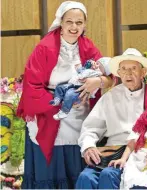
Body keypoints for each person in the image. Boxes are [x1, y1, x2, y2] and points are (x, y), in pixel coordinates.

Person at [17, 1, 113, 188]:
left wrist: (98, 81)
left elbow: (111, 77)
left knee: (79, 167)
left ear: (85, 24)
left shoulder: (87, 46)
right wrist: (59, 103)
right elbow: (32, 86)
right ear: (61, 22)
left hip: (80, 114)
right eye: (69, 22)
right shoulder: (44, 47)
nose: (74, 27)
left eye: (79, 22)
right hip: (49, 109)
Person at [75, 48, 147, 189]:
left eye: (133, 68)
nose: (128, 73)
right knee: (85, 177)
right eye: (124, 69)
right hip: (111, 150)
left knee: (109, 174)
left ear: (143, 72)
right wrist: (88, 146)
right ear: (119, 73)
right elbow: (91, 128)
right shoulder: (110, 97)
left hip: (138, 152)